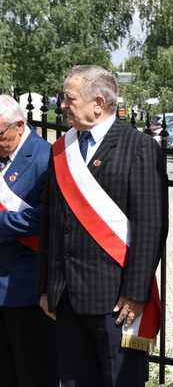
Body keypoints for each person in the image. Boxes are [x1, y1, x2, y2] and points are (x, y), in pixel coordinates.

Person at [39, 65, 168, 387]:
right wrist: (47, 286)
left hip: (116, 298)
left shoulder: (138, 146)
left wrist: (136, 293)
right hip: (66, 295)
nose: (62, 106)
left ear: (98, 102)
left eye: (69, 99)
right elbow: (51, 224)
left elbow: (151, 225)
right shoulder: (63, 148)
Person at [0, 95, 57, 387]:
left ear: (19, 125)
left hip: (24, 285)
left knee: (32, 371)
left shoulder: (45, 157)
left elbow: (44, 218)